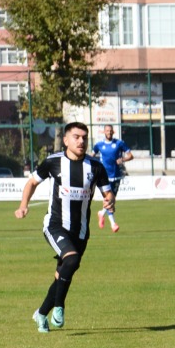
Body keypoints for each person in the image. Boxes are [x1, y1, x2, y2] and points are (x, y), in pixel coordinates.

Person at [15, 122, 115, 333]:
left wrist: (110, 201)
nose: (81, 141)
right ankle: (59, 308)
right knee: (71, 259)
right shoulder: (53, 162)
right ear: (66, 140)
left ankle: (41, 313)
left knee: (63, 273)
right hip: (55, 225)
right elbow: (32, 182)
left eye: (84, 138)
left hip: (81, 231)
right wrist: (23, 205)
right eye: (76, 137)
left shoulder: (96, 166)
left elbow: (108, 192)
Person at [92, 124, 132, 233]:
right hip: (104, 177)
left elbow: (130, 155)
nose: (109, 132)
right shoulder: (99, 145)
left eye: (110, 130)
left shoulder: (119, 143)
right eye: (107, 130)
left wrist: (123, 159)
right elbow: (91, 156)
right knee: (109, 200)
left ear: (113, 132)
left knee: (112, 200)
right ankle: (113, 224)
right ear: (104, 132)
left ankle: (102, 213)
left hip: (116, 176)